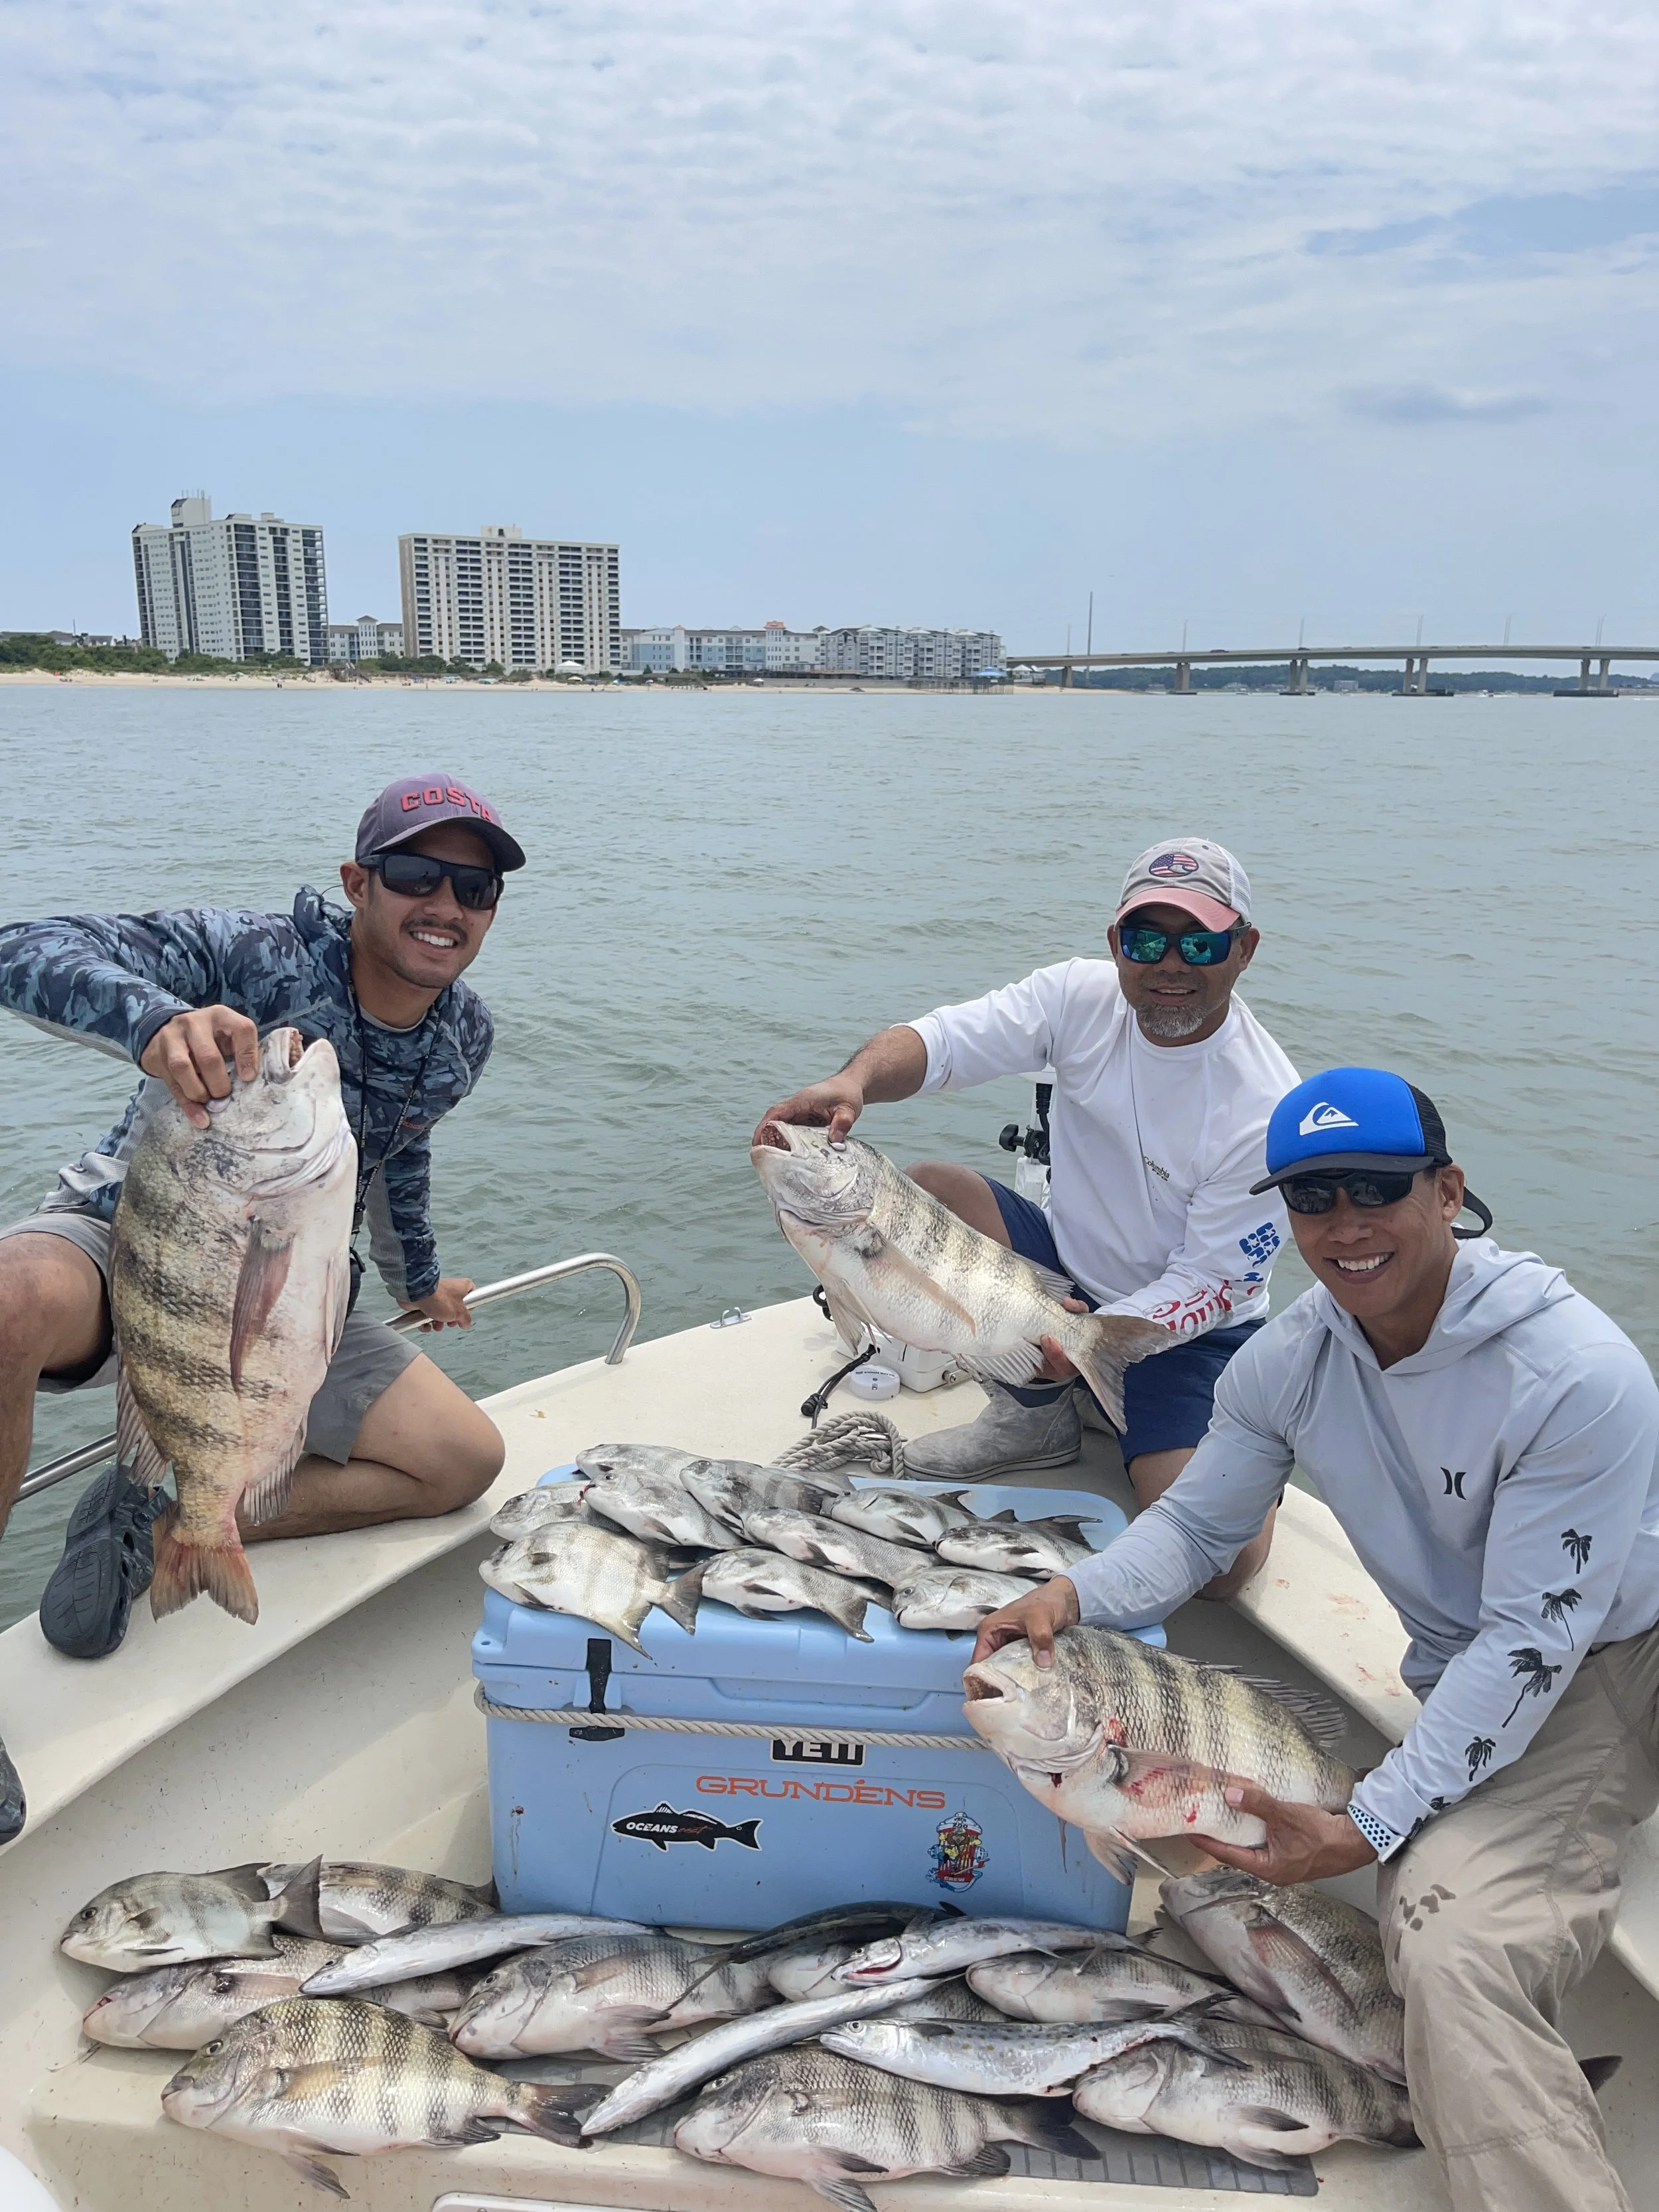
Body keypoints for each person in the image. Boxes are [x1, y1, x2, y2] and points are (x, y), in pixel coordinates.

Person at [973, 1065, 1659, 2212]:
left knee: (1453, 1950)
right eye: (1309, 1198)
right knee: (1444, 1943)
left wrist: (1365, 1823)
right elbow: (1196, 1523)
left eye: (1374, 1189)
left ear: (1449, 1191)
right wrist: (1070, 1596)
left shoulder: (1576, 1374)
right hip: (1497, 1665)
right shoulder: (1291, 1358)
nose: (1342, 1227)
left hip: (1610, 1661)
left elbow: (1533, 1643)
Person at [0, 774, 524, 1843]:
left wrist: (419, 1277)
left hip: (287, 1297)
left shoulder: (463, 1034)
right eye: (418, 872)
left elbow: (396, 1156)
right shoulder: (249, 953)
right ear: (358, 882)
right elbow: (16, 946)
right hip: (134, 1242)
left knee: (462, 1463)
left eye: (474, 886)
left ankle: (173, 1514)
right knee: (8, 1297)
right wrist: (156, 1023)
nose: (446, 903)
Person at [757, 836, 1297, 1550]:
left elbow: (1215, 1281)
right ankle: (1035, 1414)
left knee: (1219, 1562)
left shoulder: (1263, 1107)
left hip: (1188, 1330)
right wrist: (854, 1082)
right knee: (933, 1189)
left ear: (1244, 948)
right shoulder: (1076, 998)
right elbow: (945, 1042)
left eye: (1199, 944)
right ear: (1115, 943)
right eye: (1145, 940)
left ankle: (1205, 1427)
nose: (1168, 965)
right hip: (1065, 1271)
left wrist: (1088, 1342)